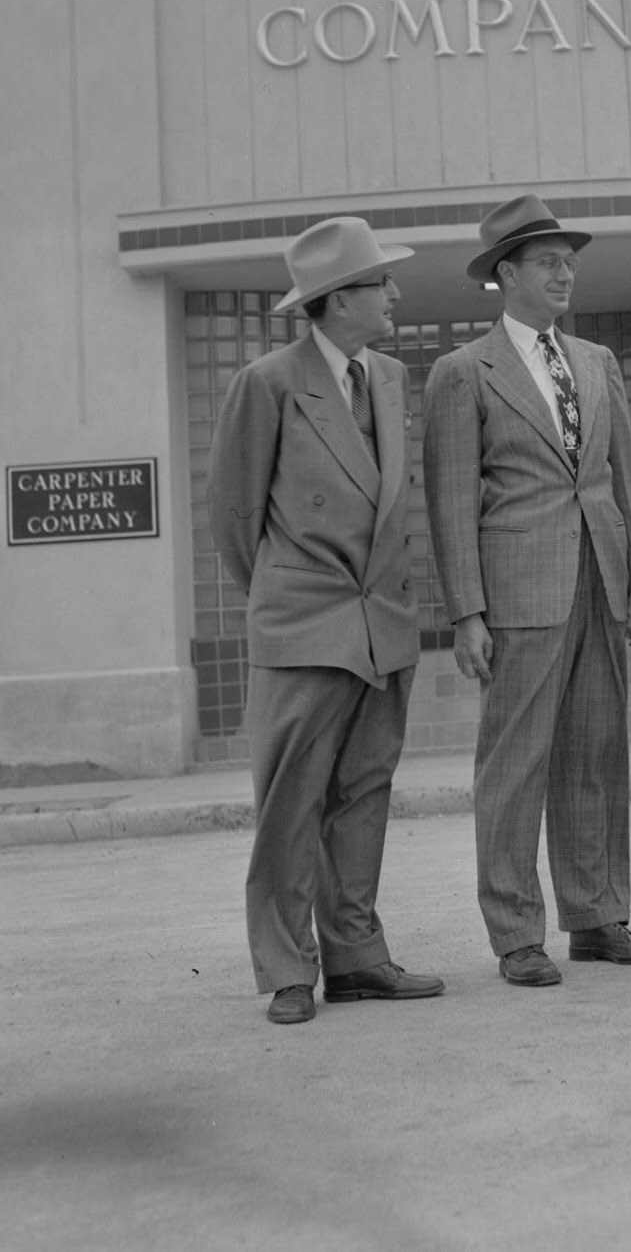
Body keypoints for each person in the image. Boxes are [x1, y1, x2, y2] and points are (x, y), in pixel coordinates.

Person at [422, 195, 631, 986]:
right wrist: (466, 612)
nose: (566, 272)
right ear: (507, 274)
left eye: (570, 260)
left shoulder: (595, 361)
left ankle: (597, 916)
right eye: (548, 261)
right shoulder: (463, 372)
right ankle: (516, 933)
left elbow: (625, 477)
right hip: (519, 588)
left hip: (600, 575)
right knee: (515, 764)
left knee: (596, 753)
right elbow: (450, 504)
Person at [207, 215, 444, 1024]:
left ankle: (355, 955)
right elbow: (235, 517)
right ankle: (287, 969)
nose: (394, 294)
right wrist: (288, 593)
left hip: (382, 620)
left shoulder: (387, 376)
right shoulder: (268, 381)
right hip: (305, 623)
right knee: (290, 803)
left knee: (365, 793)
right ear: (340, 299)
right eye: (381, 283)